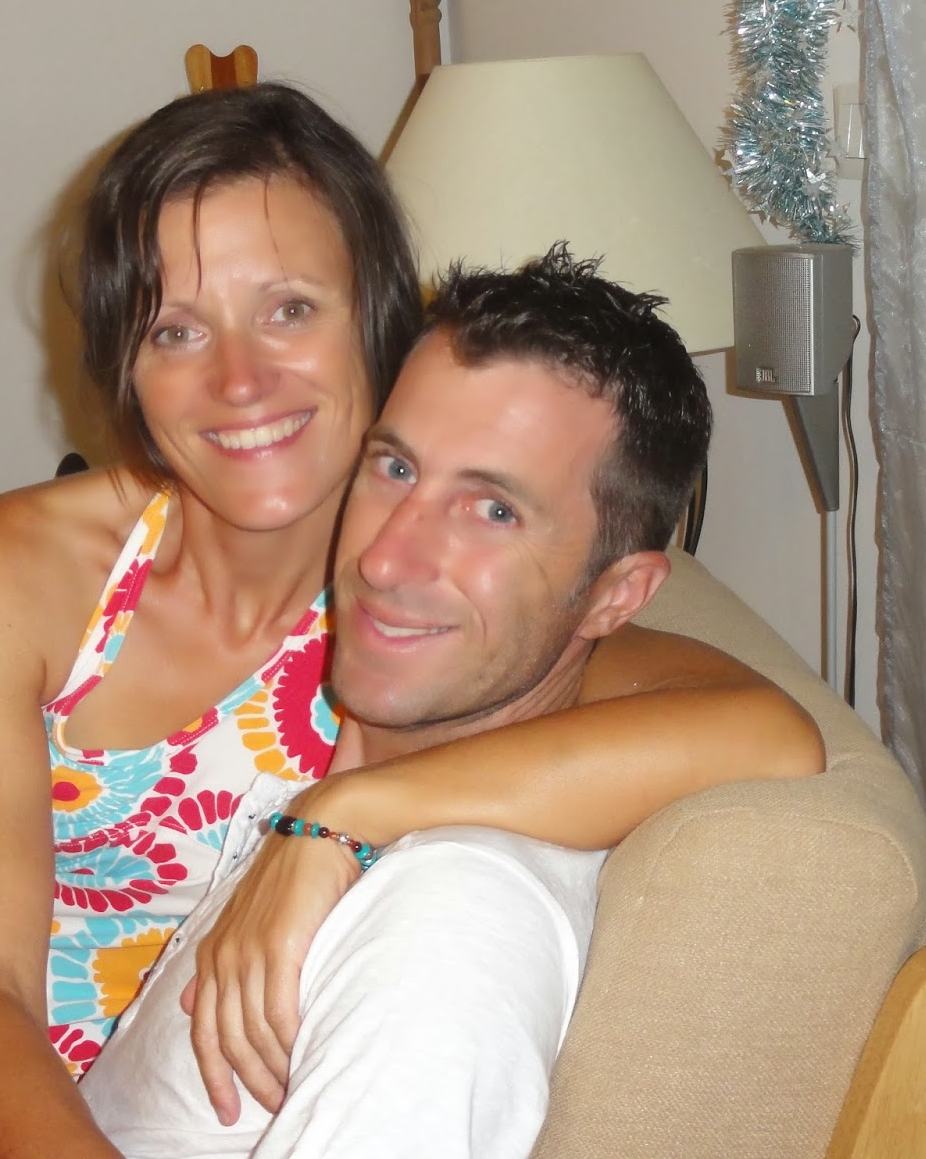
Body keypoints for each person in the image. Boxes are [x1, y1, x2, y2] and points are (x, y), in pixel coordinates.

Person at [0, 84, 818, 1159]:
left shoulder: (417, 584)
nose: (236, 381)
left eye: (288, 310)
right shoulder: (23, 560)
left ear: (376, 317)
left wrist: (344, 816)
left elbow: (764, 731)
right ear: (125, 368)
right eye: (174, 330)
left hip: (92, 1064)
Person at [74, 247, 723, 1158]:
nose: (383, 560)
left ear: (617, 597)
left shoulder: (450, 916)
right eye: (396, 469)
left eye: (494, 511)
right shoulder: (358, 813)